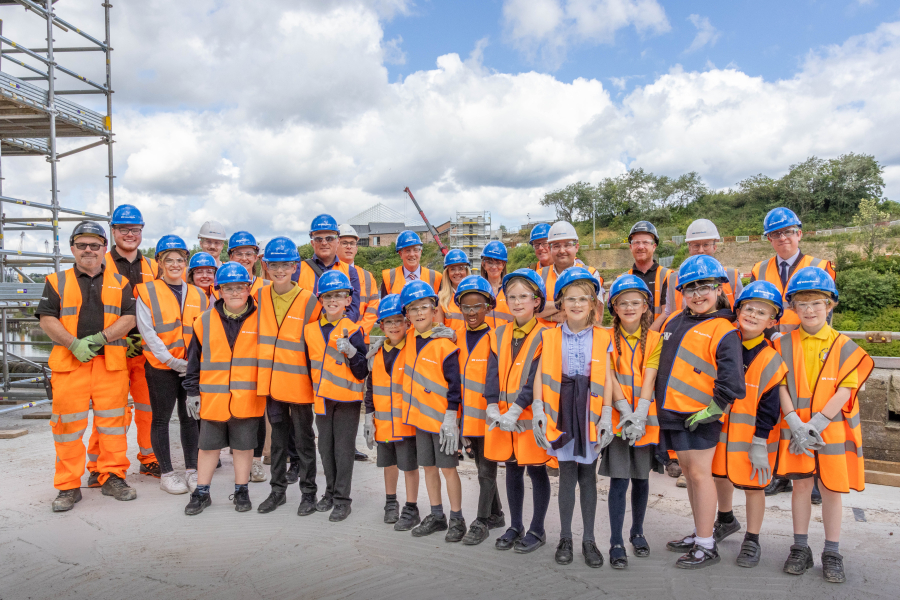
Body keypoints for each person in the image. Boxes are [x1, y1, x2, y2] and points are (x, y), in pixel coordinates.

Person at [775, 267, 873, 584]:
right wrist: (794, 422)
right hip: (796, 429)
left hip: (829, 429)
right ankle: (800, 548)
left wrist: (815, 423)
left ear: (830, 305)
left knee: (831, 488)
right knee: (801, 485)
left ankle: (832, 552)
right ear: (793, 307)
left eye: (817, 302)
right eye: (802, 303)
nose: (809, 309)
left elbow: (846, 388)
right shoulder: (783, 345)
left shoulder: (846, 347)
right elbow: (780, 386)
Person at [37, 221, 137, 511]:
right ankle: (68, 486)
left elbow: (129, 318)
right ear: (72, 248)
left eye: (95, 245)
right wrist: (73, 344)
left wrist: (99, 339)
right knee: (67, 428)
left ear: (105, 248)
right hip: (71, 365)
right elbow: (46, 318)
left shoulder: (120, 283)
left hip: (110, 364)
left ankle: (112, 476)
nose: (89, 250)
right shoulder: (57, 281)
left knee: (113, 426)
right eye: (82, 245)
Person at [658, 255, 746, 569]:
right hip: (675, 416)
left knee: (699, 475)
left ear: (719, 289)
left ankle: (707, 545)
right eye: (690, 288)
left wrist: (710, 412)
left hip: (699, 418)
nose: (697, 294)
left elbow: (732, 381)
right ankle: (700, 533)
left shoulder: (723, 329)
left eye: (705, 286)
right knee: (692, 478)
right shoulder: (676, 322)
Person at [750, 208, 835, 497]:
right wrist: (769, 334)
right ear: (769, 239)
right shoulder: (759, 270)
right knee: (775, 406)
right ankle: (782, 472)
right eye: (775, 234)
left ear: (799, 233)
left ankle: (811, 474)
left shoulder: (820, 265)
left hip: (808, 347)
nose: (782, 238)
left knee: (808, 405)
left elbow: (825, 311)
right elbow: (755, 307)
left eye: (788, 232)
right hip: (772, 347)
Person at [532, 267, 613, 568]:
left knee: (588, 477)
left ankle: (589, 539)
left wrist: (606, 413)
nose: (576, 304)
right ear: (561, 304)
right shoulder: (549, 336)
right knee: (566, 475)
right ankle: (565, 537)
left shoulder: (605, 336)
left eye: (583, 299)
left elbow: (609, 376)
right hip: (562, 409)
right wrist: (539, 408)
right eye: (570, 299)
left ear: (593, 303)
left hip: (589, 409)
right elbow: (540, 373)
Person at [710, 281, 788, 568]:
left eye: (762, 312)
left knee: (754, 486)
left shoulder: (770, 357)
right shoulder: (724, 342)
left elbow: (770, 404)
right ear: (738, 310)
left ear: (772, 320)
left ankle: (753, 539)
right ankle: (726, 519)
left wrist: (759, 441)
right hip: (720, 430)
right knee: (719, 475)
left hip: (755, 435)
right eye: (748, 308)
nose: (753, 315)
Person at [183, 263, 264, 515]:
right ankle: (202, 492)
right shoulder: (203, 321)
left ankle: (241, 490)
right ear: (218, 291)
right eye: (228, 288)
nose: (235, 292)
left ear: (249, 288)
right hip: (213, 399)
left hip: (247, 398)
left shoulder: (263, 320)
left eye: (240, 287)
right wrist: (192, 391)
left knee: (243, 447)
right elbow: (193, 360)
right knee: (207, 447)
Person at [87, 204, 158, 482]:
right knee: (109, 410)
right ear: (113, 231)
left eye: (135, 229)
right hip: (110, 349)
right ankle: (98, 466)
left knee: (147, 407)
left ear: (142, 232)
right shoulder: (99, 262)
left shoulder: (154, 266)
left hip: (146, 350)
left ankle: (150, 458)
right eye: (124, 229)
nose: (130, 234)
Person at [135, 235, 209, 494]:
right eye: (169, 260)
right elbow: (148, 331)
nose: (175, 264)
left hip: (190, 367)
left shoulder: (200, 295)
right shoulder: (146, 291)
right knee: (161, 420)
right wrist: (172, 360)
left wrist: (192, 364)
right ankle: (167, 473)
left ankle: (191, 469)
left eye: (180, 260)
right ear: (159, 262)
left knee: (190, 418)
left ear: (186, 263)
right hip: (161, 367)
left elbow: (205, 332)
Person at [254, 237, 322, 516]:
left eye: (285, 264)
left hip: (300, 385)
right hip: (271, 384)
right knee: (279, 443)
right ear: (265, 266)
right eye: (274, 264)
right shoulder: (257, 297)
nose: (279, 270)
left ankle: (308, 493)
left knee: (304, 442)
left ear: (295, 266)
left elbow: (317, 346)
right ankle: (277, 491)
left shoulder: (310, 301)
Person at [484, 269, 551, 554]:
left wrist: (515, 409)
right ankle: (515, 525)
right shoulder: (499, 334)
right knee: (511, 470)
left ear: (537, 301)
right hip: (503, 419)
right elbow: (491, 373)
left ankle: (537, 528)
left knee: (537, 471)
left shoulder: (547, 335)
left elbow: (536, 376)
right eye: (511, 296)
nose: (517, 301)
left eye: (524, 296)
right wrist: (490, 403)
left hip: (527, 418)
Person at [601, 274, 662, 568]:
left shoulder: (655, 338)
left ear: (645, 306)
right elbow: (608, 375)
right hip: (616, 419)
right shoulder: (605, 337)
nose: (629, 307)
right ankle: (615, 540)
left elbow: (650, 374)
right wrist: (624, 409)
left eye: (635, 302)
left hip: (645, 418)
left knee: (641, 478)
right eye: (623, 303)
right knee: (619, 480)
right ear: (614, 307)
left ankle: (637, 532)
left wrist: (640, 412)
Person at [398, 281, 465, 541]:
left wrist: (452, 417)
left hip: (442, 422)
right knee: (428, 467)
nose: (419, 313)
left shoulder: (445, 344)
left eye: (424, 306)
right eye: (413, 309)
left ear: (434, 309)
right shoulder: (411, 338)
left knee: (448, 470)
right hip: (420, 421)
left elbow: (454, 386)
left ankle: (457, 519)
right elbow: (386, 333)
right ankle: (437, 515)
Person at [305, 270, 369, 522]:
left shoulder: (352, 330)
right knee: (325, 448)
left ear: (347, 300)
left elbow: (363, 369)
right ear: (320, 299)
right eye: (328, 295)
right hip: (321, 399)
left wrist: (353, 353)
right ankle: (330, 492)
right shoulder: (310, 331)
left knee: (343, 450)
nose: (333, 300)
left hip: (346, 401)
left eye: (339, 295)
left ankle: (343, 499)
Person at [453, 275, 505, 545]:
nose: (472, 313)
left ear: (489, 307)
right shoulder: (456, 337)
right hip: (467, 418)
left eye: (478, 307)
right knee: (480, 465)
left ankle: (482, 521)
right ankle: (496, 514)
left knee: (486, 470)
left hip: (488, 417)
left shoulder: (497, 337)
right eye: (466, 307)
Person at [362, 294, 422, 529]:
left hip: (407, 424)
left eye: (398, 320)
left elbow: (430, 329)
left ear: (407, 322)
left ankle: (411, 507)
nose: (394, 326)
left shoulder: (415, 347)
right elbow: (371, 388)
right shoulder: (376, 353)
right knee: (389, 464)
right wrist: (369, 418)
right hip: (385, 424)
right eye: (388, 322)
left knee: (409, 466)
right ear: (381, 326)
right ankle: (390, 503)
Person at [226, 230, 270, 481]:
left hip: (258, 355)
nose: (244, 257)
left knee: (258, 410)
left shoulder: (266, 287)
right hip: (232, 357)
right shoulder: (222, 283)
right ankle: (238, 457)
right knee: (235, 410)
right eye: (238, 253)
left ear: (256, 257)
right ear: (230, 256)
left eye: (249, 253)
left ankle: (255, 461)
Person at [665, 219, 742, 315]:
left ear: (714, 247)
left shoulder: (731, 276)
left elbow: (742, 314)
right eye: (696, 245)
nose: (701, 250)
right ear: (689, 248)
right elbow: (668, 314)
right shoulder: (673, 279)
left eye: (706, 245)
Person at [535, 222, 604, 327]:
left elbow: (595, 312)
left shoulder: (591, 274)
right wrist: (570, 308)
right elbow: (534, 309)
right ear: (549, 249)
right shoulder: (539, 275)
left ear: (576, 247)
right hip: (546, 340)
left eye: (567, 245)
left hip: (583, 338)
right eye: (556, 246)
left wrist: (549, 313)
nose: (562, 251)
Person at [624, 221, 670, 332]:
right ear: (631, 247)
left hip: (659, 342)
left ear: (654, 246)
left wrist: (647, 338)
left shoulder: (668, 276)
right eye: (636, 243)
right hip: (630, 341)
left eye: (645, 242)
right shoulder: (623, 279)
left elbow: (667, 312)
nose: (640, 247)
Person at [337, 223, 380, 340]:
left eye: (352, 243)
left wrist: (359, 331)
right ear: (336, 245)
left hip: (361, 337)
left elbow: (373, 307)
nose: (349, 247)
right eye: (344, 243)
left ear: (356, 248)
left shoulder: (367, 276)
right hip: (334, 337)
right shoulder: (330, 274)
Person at [380, 230, 442, 296]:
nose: (412, 254)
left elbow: (440, 305)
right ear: (401, 254)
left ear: (420, 252)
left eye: (415, 250)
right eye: (407, 250)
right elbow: (385, 305)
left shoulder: (436, 278)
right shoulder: (389, 278)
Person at [436, 249, 472, 337]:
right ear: (447, 273)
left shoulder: (475, 295)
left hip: (473, 347)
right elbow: (438, 332)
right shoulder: (441, 299)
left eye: (461, 268)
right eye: (452, 269)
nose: (457, 273)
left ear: (466, 271)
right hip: (451, 348)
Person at [480, 241, 513, 328]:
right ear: (483, 264)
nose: (494, 267)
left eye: (498, 263)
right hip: (483, 338)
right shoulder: (478, 289)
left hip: (507, 339)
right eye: (490, 262)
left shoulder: (511, 289)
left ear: (503, 265)